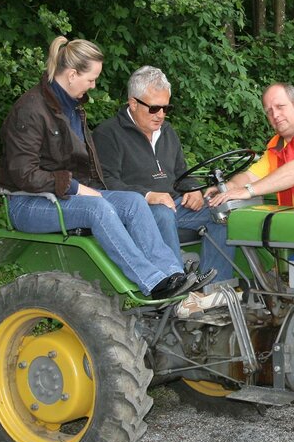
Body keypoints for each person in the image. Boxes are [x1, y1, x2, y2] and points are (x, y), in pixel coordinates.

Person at [0, 36, 211, 301]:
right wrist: (76, 187)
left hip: (65, 196)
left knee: (134, 202)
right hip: (29, 202)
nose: (94, 85)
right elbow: (24, 174)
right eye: (91, 79)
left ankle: (172, 275)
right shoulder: (30, 109)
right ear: (73, 74)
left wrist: (89, 188)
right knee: (96, 207)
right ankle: (153, 282)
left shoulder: (73, 108)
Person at [93, 66, 235, 285]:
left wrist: (194, 189)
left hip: (175, 204)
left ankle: (213, 290)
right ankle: (175, 288)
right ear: (133, 103)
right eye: (154, 108)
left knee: (223, 209)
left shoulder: (167, 131)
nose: (160, 115)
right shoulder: (108, 134)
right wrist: (148, 195)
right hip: (137, 212)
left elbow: (180, 173)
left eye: (166, 108)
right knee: (161, 212)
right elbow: (106, 182)